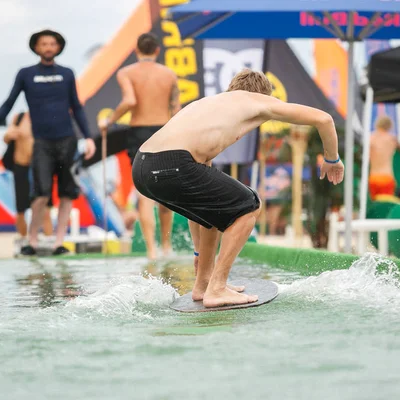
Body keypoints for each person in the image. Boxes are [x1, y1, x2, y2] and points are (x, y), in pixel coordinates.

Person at [132, 69, 344, 308]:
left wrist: (199, 254)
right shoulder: (256, 100)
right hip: (172, 164)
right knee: (249, 206)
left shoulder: (208, 106)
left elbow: (202, 210)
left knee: (217, 211)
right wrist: (331, 159)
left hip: (142, 167)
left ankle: (204, 285)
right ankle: (218, 288)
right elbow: (323, 119)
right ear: (262, 95)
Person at [0, 29, 96, 256]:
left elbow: (77, 107)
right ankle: (31, 240)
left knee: (66, 193)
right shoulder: (26, 74)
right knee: (41, 192)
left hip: (67, 141)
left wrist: (89, 137)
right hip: (42, 142)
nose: (48, 47)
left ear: (58, 47)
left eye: (52, 44)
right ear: (36, 47)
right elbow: (9, 102)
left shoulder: (67, 73)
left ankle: (59, 242)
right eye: (44, 44)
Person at [98, 33, 179, 260]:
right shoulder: (169, 74)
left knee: (145, 193)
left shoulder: (126, 73)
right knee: (166, 190)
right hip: (166, 131)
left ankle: (152, 251)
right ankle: (166, 247)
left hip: (140, 132)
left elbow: (130, 101)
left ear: (137, 51)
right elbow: (177, 110)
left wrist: (110, 120)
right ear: (156, 51)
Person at [2, 112, 54, 241]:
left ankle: (49, 242)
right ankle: (24, 240)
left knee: (46, 208)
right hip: (21, 166)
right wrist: (10, 135)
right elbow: (6, 138)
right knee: (21, 210)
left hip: (40, 168)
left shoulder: (45, 117)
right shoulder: (19, 118)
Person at [369, 115, 400, 201]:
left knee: (376, 207)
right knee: (385, 207)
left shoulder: (371, 139)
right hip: (387, 177)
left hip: (374, 177)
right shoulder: (392, 140)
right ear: (389, 126)